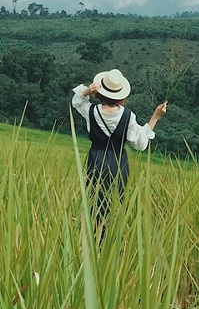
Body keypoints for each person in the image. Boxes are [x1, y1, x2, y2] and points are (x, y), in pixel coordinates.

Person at [71, 68, 167, 236]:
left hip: (96, 158)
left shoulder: (91, 111)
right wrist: (155, 117)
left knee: (94, 199)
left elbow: (77, 101)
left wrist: (88, 90)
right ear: (121, 96)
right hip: (118, 161)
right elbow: (140, 143)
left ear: (100, 92)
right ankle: (110, 240)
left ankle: (91, 237)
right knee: (116, 202)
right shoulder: (128, 116)